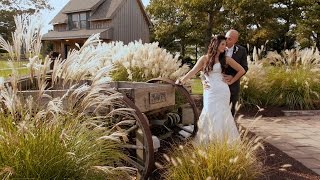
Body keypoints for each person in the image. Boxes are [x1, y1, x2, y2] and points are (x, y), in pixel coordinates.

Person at [175, 35, 245, 144]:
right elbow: (193, 71)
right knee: (209, 112)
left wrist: (232, 80)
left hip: (222, 91)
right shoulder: (204, 58)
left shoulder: (226, 59)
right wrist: (182, 80)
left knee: (223, 114)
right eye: (222, 44)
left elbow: (241, 70)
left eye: (225, 44)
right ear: (215, 44)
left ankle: (224, 142)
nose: (225, 47)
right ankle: (208, 142)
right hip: (210, 91)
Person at [203, 30, 248, 116]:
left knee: (230, 113)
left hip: (233, 86)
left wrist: (232, 77)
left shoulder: (242, 50)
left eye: (229, 39)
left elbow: (244, 68)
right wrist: (203, 80)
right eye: (226, 37)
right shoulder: (216, 49)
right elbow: (205, 68)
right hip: (214, 88)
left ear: (235, 40)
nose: (226, 40)